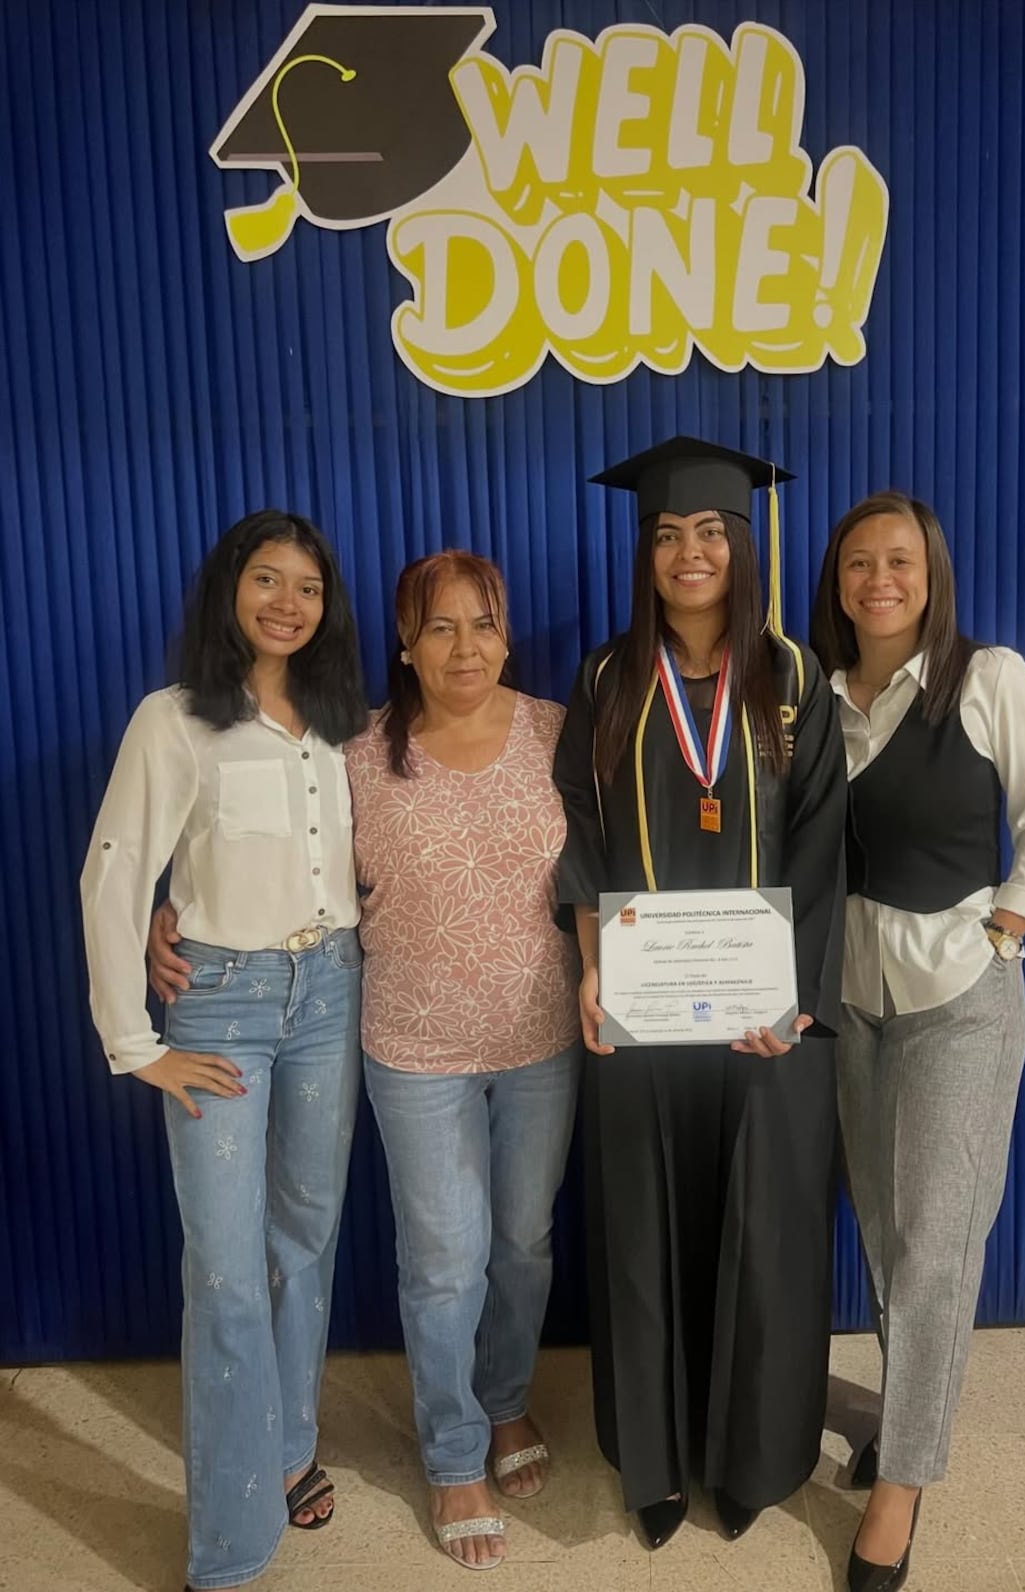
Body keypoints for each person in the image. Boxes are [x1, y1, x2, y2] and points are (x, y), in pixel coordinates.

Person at [151, 549, 581, 1575]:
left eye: (482, 623)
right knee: (442, 1258)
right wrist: (177, 904)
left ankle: (506, 1396)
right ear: (404, 643)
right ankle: (453, 1448)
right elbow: (275, 857)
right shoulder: (357, 750)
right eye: (439, 627)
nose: (465, 646)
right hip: (412, 1043)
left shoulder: (559, 734)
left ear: (508, 634)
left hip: (541, 1035)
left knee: (523, 1241)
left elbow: (617, 857)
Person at [552, 437, 848, 1549]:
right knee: (642, 1229)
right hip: (636, 1010)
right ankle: (659, 1462)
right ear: (646, 551)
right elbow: (576, 832)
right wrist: (588, 961)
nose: (691, 551)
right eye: (669, 533)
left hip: (768, 1023)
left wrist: (797, 995)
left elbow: (825, 844)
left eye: (712, 531)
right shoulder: (606, 676)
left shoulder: (798, 677)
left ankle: (752, 1457)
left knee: (763, 1231)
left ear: (744, 542)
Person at [80, 509, 369, 1592]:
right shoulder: (175, 719)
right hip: (221, 1004)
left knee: (306, 1237)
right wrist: (134, 1041)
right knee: (227, 1271)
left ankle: (289, 1442)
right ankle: (231, 1545)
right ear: (228, 590)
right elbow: (114, 874)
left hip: (331, 992)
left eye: (306, 585)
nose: (286, 603)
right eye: (265, 579)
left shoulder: (346, 724)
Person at [810, 491, 1025, 1592]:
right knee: (883, 1232)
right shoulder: (818, 698)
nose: (881, 577)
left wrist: (1013, 918)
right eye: (860, 560)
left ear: (932, 573)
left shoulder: (988, 676)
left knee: (935, 1247)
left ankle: (901, 1485)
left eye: (901, 559)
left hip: (961, 995)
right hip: (854, 999)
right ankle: (903, 1421)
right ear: (837, 578)